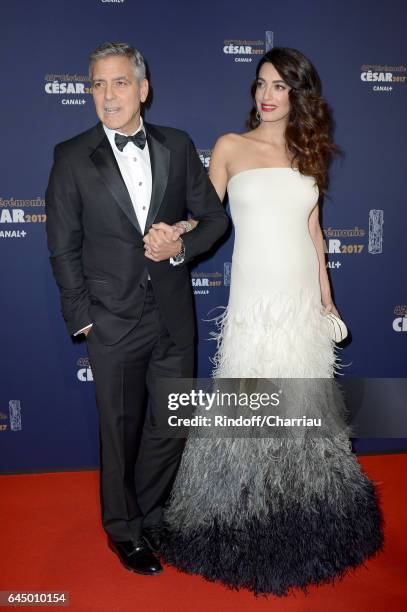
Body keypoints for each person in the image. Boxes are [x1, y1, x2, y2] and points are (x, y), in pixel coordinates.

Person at [160, 48, 384, 595]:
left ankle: (305, 521)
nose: (267, 94)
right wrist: (174, 235)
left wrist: (327, 300)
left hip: (301, 300)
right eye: (261, 83)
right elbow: (206, 217)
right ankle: (239, 522)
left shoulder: (311, 152)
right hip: (254, 304)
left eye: (280, 86)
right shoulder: (232, 148)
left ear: (298, 95)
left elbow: (315, 232)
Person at [45, 41, 228, 576]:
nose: (107, 95)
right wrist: (82, 316)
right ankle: (123, 531)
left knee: (172, 423)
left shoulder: (177, 143)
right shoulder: (71, 155)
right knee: (120, 432)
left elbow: (213, 219)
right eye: (97, 84)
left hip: (173, 316)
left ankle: (148, 514)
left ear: (143, 89)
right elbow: (62, 245)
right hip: (112, 319)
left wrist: (182, 244)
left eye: (119, 82)